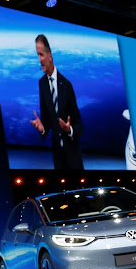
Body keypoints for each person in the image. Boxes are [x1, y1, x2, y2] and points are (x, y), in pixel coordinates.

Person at [29, 34, 84, 170]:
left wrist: (69, 129)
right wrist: (42, 129)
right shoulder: (42, 84)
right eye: (37, 55)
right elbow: (47, 121)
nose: (39, 59)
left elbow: (79, 125)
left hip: (72, 156)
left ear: (50, 56)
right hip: (58, 158)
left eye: (41, 55)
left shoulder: (66, 85)